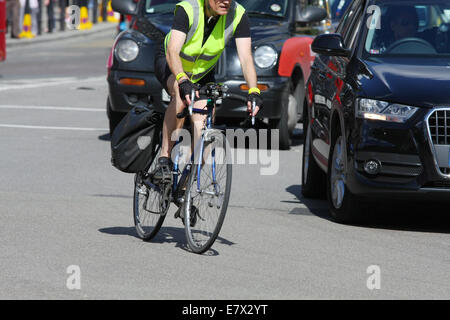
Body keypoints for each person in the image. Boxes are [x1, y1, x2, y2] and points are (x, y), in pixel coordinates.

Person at [153, 0, 263, 181]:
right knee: (181, 97)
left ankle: (184, 192)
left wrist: (253, 91)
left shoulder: (238, 14)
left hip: (202, 73)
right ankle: (164, 159)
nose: (226, 1)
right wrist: (182, 80)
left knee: (203, 133)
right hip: (172, 65)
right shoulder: (188, 9)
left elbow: (246, 57)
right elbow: (172, 51)